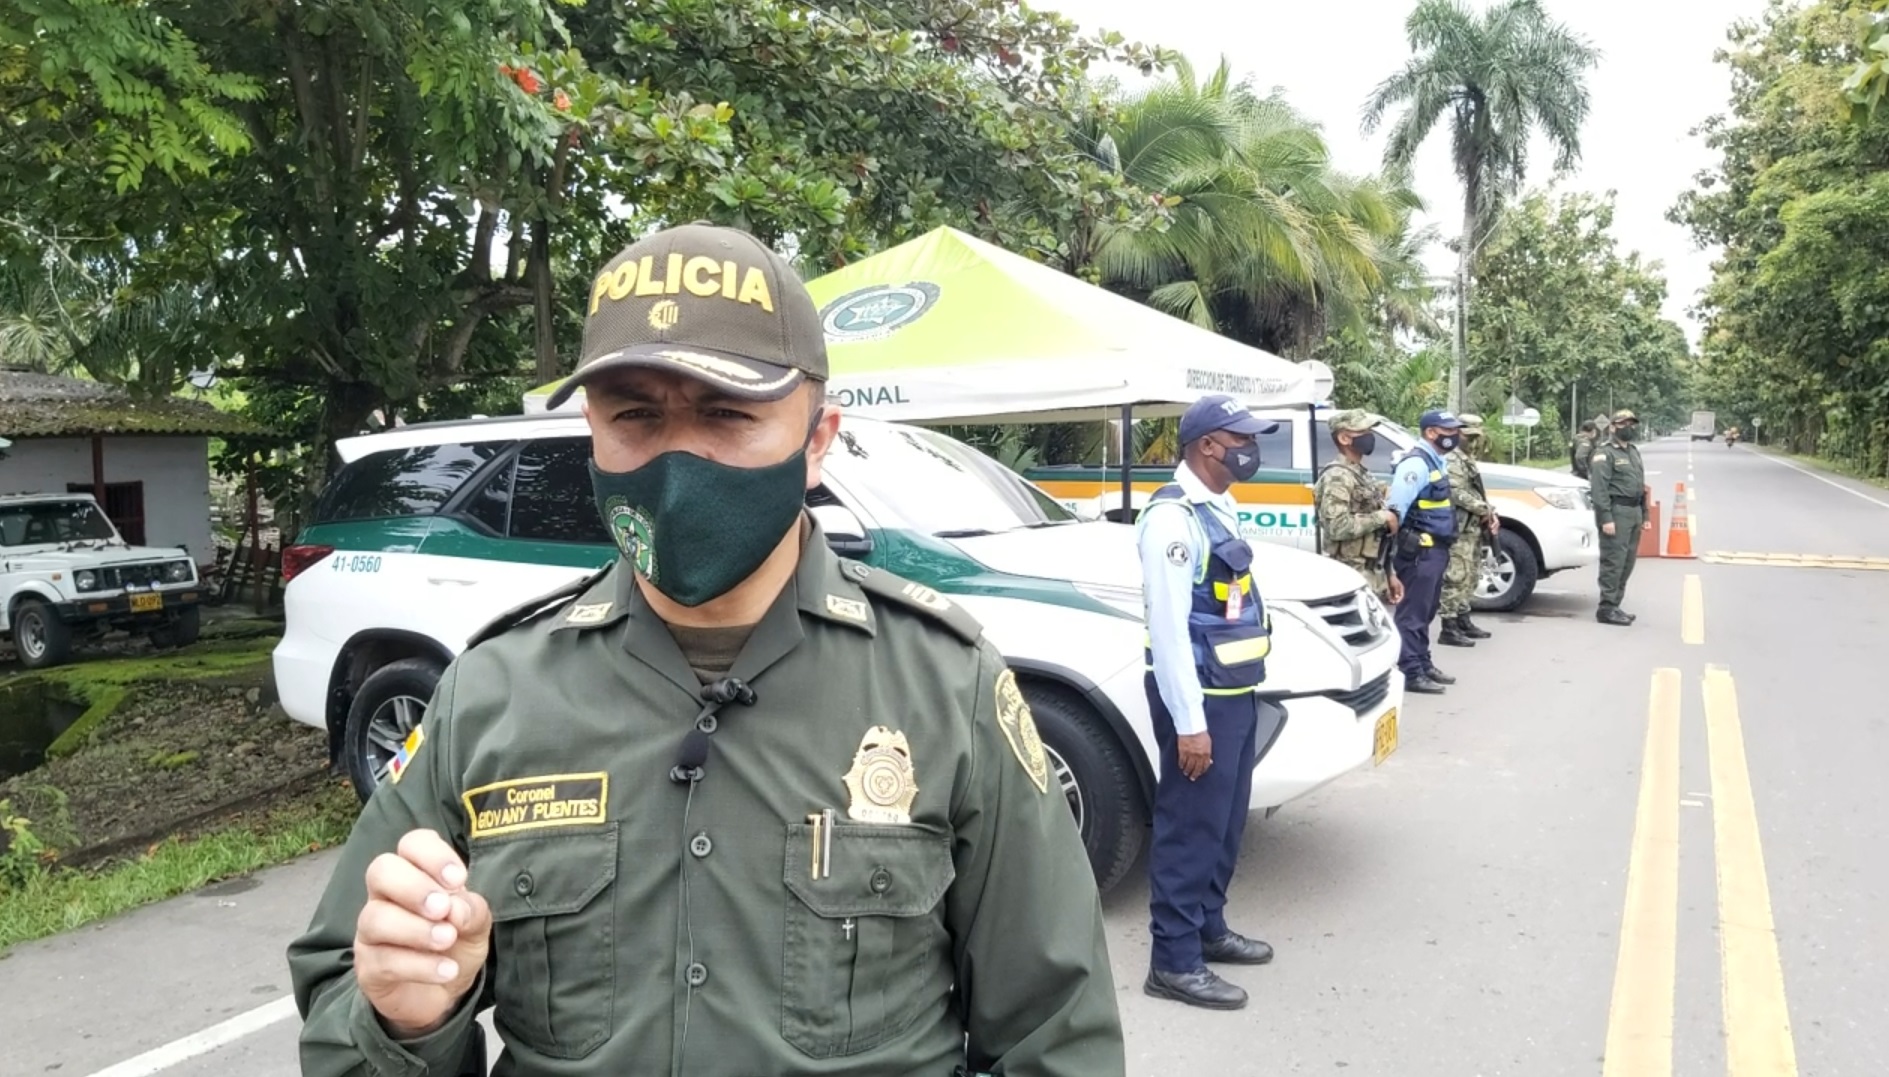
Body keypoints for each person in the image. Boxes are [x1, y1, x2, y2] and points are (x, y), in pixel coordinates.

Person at [286, 222, 1125, 1077]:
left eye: (727, 413)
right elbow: (343, 988)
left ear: (817, 438)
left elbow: (1057, 1034)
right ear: (591, 428)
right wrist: (406, 1016)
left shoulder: (945, 684)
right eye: (635, 415)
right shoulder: (490, 693)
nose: (679, 462)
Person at [1134, 394, 1288, 1012]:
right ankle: (1173, 962)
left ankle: (1208, 927)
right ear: (1207, 446)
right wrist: (1190, 725)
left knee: (1223, 824)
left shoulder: (1217, 507)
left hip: (1233, 690)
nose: (1250, 449)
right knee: (1190, 828)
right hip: (1198, 700)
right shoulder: (1172, 521)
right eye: (1241, 439)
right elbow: (1170, 632)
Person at [1385, 409, 1464, 695]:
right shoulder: (1415, 465)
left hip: (1435, 550)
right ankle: (1410, 670)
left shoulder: (1436, 461)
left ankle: (1422, 661)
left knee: (1426, 611)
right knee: (1413, 614)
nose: (1455, 435)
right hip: (1420, 552)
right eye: (1449, 430)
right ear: (1431, 432)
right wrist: (1391, 560)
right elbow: (1395, 512)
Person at [1313, 408, 1404, 609]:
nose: (1369, 437)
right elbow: (1336, 526)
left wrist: (1389, 575)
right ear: (1344, 438)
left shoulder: (1360, 473)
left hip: (1370, 572)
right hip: (1349, 575)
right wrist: (1382, 517)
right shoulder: (1338, 476)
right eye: (1362, 432)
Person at [1438, 413, 1497, 647]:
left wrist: (1488, 511)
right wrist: (1482, 508)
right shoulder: (1452, 459)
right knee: (1456, 576)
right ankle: (1448, 626)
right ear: (1456, 432)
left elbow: (1474, 490)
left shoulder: (1466, 458)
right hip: (1458, 527)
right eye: (1468, 436)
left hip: (1471, 526)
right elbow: (1455, 492)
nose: (1472, 442)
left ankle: (1463, 619)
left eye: (1475, 437)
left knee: (1470, 575)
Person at [1589, 407, 1649, 627]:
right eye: (1623, 424)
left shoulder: (1633, 451)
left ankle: (1615, 604)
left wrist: (1645, 513)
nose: (1628, 428)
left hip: (1633, 512)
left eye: (1631, 424)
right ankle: (1606, 608)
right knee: (1613, 561)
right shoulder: (1604, 454)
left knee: (1627, 562)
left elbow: (1640, 485)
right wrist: (1606, 518)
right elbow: (1599, 490)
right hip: (1617, 512)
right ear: (1613, 427)